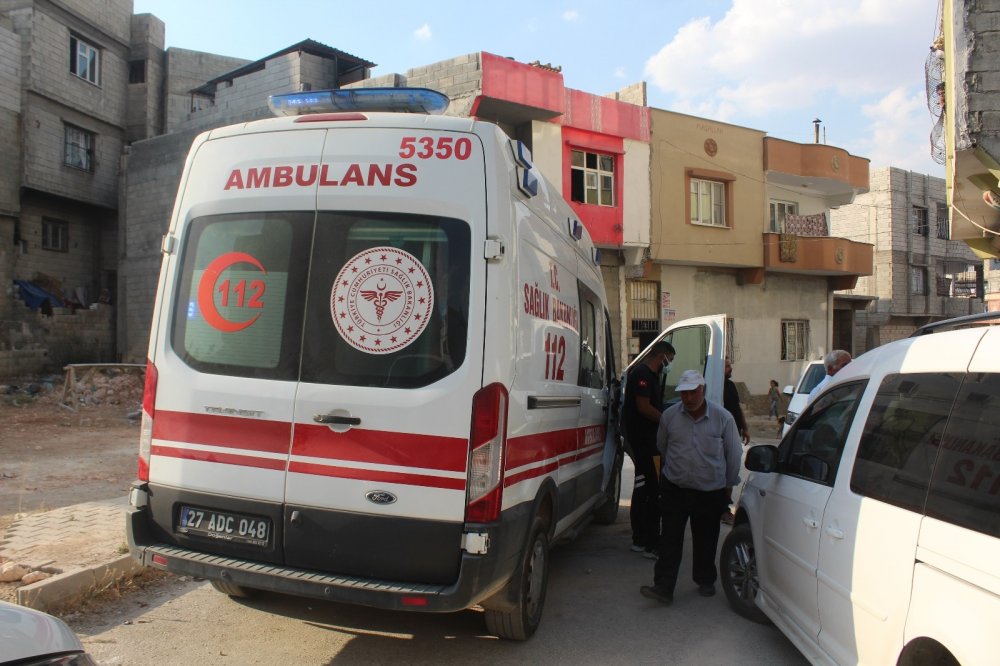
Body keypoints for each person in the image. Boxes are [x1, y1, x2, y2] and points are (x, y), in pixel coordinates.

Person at [640, 369, 743, 605]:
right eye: (684, 393)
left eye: (692, 392)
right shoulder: (669, 417)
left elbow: (734, 454)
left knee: (706, 538)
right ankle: (663, 587)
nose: (688, 398)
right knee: (670, 538)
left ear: (702, 390)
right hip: (675, 487)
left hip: (709, 491)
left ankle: (705, 579)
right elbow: (662, 445)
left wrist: (728, 484)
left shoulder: (723, 418)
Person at [623, 341, 675, 559]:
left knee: (645, 489)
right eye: (669, 361)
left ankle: (642, 539)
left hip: (649, 441)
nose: (668, 365)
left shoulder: (651, 375)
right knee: (653, 490)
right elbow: (643, 407)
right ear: (661, 356)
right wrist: (667, 421)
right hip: (645, 442)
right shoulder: (642, 374)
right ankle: (650, 543)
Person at [723, 359, 750, 446]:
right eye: (727, 366)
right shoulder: (715, 388)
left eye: (730, 365)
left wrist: (745, 428)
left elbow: (737, 407)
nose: (731, 368)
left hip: (735, 433)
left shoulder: (731, 385)